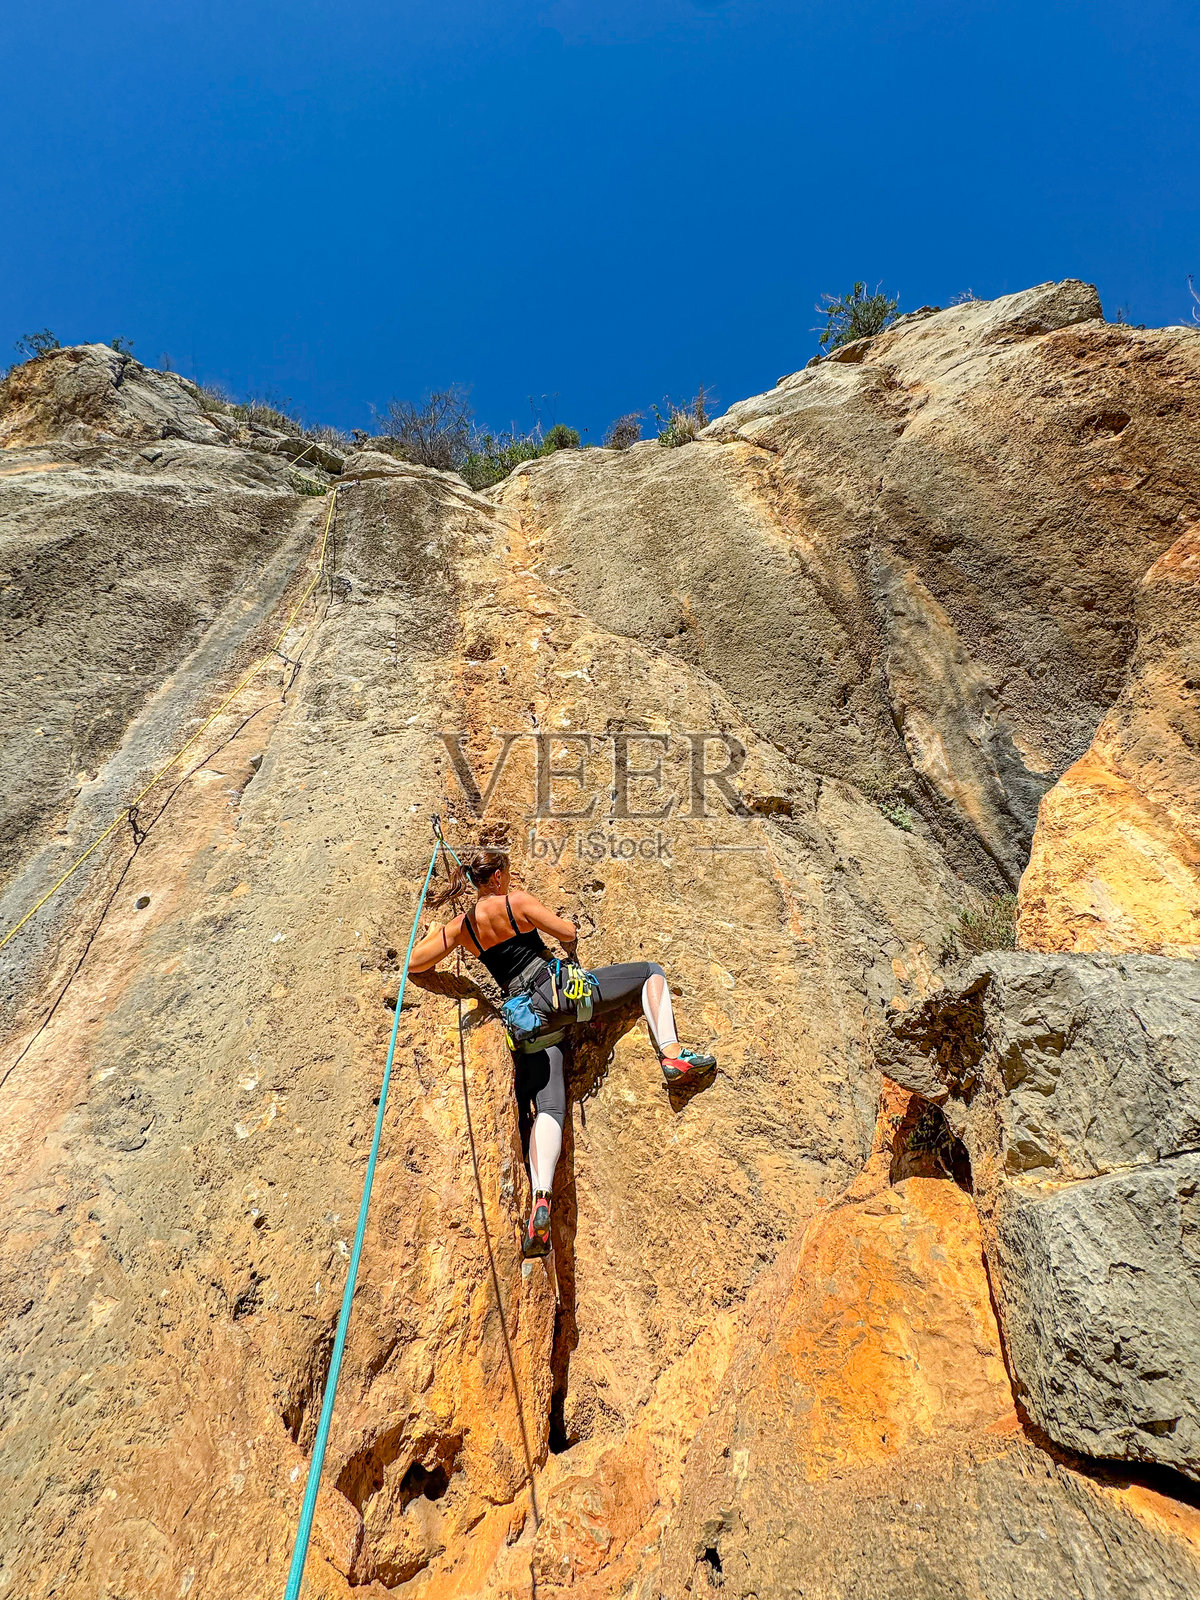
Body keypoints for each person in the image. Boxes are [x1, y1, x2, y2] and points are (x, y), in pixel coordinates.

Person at [409, 848, 716, 1258]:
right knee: (650, 973)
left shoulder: (462, 927)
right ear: (497, 877)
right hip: (562, 996)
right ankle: (673, 1055)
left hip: (530, 1023)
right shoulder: (515, 902)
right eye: (507, 873)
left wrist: (434, 931)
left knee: (550, 1108)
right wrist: (568, 931)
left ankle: (540, 1201)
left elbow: (416, 964)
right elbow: (566, 932)